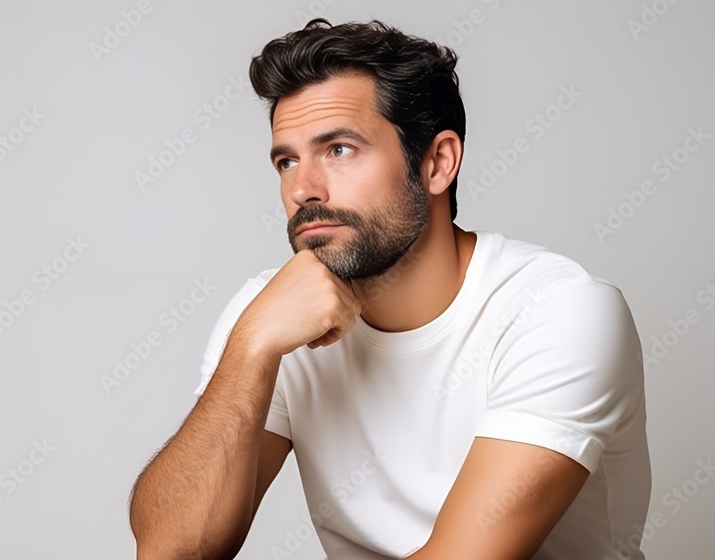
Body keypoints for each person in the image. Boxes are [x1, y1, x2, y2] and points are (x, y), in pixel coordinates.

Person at [129, 18, 651, 560]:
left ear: (437, 163)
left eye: (339, 150)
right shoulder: (273, 317)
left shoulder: (558, 311)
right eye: (287, 161)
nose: (303, 189)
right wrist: (251, 346)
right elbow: (169, 551)